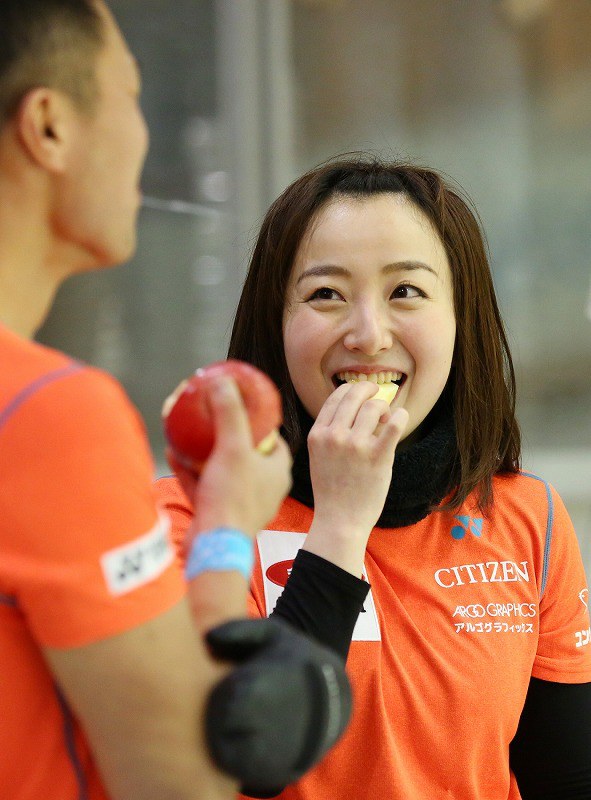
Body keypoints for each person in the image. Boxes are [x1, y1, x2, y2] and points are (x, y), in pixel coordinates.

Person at [156, 155, 591, 799]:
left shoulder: (531, 517)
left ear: (458, 320)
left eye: (405, 292)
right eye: (325, 294)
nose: (367, 333)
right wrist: (339, 524)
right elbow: (249, 758)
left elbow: (567, 778)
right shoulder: (197, 522)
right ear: (274, 325)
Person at [0, 3, 352, 799]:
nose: (144, 136)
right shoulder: (52, 416)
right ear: (49, 126)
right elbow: (184, 777)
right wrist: (226, 529)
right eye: (130, 96)